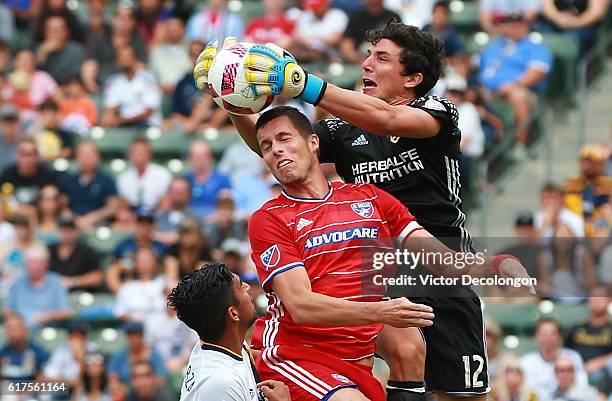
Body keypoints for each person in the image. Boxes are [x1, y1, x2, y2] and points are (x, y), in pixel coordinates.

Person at [195, 20, 524, 399]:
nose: (367, 64)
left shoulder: (436, 111)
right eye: (368, 55)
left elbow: (387, 119)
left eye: (381, 58)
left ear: (413, 78)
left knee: (462, 396)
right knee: (403, 348)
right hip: (373, 279)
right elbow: (279, 144)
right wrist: (231, 100)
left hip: (438, 270)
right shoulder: (342, 131)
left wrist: (306, 85)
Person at [246, 107, 531, 401]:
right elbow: (301, 306)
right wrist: (381, 311)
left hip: (355, 361)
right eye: (267, 147)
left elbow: (445, 263)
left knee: (408, 342)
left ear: (313, 143)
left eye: (284, 138)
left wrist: (498, 263)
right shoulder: (269, 218)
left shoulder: (370, 197)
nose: (277, 150)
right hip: (297, 356)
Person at [168, 263, 292, 401]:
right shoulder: (221, 383)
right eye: (241, 286)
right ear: (234, 313)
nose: (248, 287)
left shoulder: (226, 341)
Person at [478, 12, 553, 149]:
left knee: (518, 95)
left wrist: (514, 85)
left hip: (519, 91)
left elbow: (538, 72)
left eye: (518, 24)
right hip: (486, 91)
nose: (514, 27)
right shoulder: (495, 46)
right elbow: (476, 64)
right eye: (510, 23)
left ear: (526, 26)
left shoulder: (534, 45)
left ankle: (519, 145)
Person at [4, 244, 73, 327]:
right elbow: (8, 310)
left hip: (49, 328)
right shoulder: (18, 282)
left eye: (38, 263)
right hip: (22, 329)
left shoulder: (56, 282)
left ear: (46, 263)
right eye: (31, 262)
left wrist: (48, 317)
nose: (34, 267)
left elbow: (66, 312)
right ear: (25, 264)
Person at [521, 319, 589, 401]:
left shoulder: (572, 357)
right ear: (536, 336)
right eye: (544, 333)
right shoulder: (526, 361)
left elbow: (582, 386)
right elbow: (523, 392)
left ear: (559, 336)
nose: (548, 337)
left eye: (552, 333)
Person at [60, 141, 119, 233]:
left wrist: (91, 218)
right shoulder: (68, 181)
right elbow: (62, 206)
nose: (87, 158)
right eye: (83, 155)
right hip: (72, 225)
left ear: (98, 157)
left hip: (100, 224)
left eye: (90, 154)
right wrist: (77, 221)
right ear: (77, 158)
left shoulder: (107, 180)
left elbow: (112, 207)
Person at [101, 45, 162, 128]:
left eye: (128, 56)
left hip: (147, 124)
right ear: (117, 62)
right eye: (121, 57)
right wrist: (108, 119)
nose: (125, 59)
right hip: (124, 125)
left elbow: (149, 112)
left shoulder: (148, 79)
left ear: (135, 59)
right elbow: (110, 108)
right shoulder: (114, 82)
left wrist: (120, 120)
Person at [108, 321, 168, 398]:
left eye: (136, 335)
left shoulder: (155, 356)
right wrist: (132, 387)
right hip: (127, 396)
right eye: (130, 335)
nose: (133, 339)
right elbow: (113, 382)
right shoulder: (119, 357)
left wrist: (143, 385)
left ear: (142, 336)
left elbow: (162, 380)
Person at [564, 286, 612, 383]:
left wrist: (601, 362)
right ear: (588, 302)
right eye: (593, 298)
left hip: (606, 376)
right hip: (576, 374)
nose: (597, 301)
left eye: (601, 297)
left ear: (609, 300)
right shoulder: (576, 328)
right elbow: (565, 352)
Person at [563, 144, 612, 238]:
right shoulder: (572, 183)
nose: (587, 166)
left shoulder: (608, 185)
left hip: (600, 230)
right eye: (585, 162)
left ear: (601, 164)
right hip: (576, 230)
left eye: (592, 162)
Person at [0, 137, 60, 208]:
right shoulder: (7, 175)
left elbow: (54, 203)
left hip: (40, 216)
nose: (27, 159)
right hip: (12, 215)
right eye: (23, 154)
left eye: (30, 154)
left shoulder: (48, 177)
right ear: (17, 155)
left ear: (37, 156)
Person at [48, 215, 104, 291]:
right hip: (52, 292)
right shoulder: (48, 250)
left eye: (70, 230)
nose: (66, 234)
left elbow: (97, 277)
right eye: (63, 230)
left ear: (76, 231)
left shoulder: (86, 251)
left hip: (79, 293)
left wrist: (73, 282)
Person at [116, 137, 172, 211]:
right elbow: (124, 207)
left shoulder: (163, 174)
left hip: (156, 215)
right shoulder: (123, 178)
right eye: (136, 151)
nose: (139, 155)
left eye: (143, 151)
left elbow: (166, 204)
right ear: (130, 154)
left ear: (150, 154)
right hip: (132, 217)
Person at [113, 247, 167, 322]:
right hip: (133, 327)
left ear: (155, 262)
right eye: (140, 260)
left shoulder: (165, 283)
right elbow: (119, 312)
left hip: (159, 326)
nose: (143, 263)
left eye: (146, 260)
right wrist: (137, 321)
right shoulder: (126, 287)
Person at [184, 140, 232, 219]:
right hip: (189, 220)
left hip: (214, 221)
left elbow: (227, 207)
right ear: (190, 158)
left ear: (210, 157)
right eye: (195, 155)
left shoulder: (222, 179)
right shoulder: (185, 180)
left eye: (202, 155)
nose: (198, 158)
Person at [36, 15, 86, 85]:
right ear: (45, 32)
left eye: (58, 29)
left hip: (69, 90)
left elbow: (76, 77)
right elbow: (34, 79)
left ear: (66, 32)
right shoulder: (38, 49)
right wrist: (42, 56)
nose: (55, 33)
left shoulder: (77, 50)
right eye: (50, 29)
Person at [0, 315, 49, 381]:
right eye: (7, 329)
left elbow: (44, 378)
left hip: (31, 388)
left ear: (25, 330)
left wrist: (25, 390)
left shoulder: (37, 351)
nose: (10, 333)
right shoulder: (4, 351)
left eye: (14, 329)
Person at [154, 177, 197, 246]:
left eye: (182, 190)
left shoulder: (196, 218)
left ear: (189, 194)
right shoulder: (159, 217)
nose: (178, 193)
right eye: (175, 190)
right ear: (168, 193)